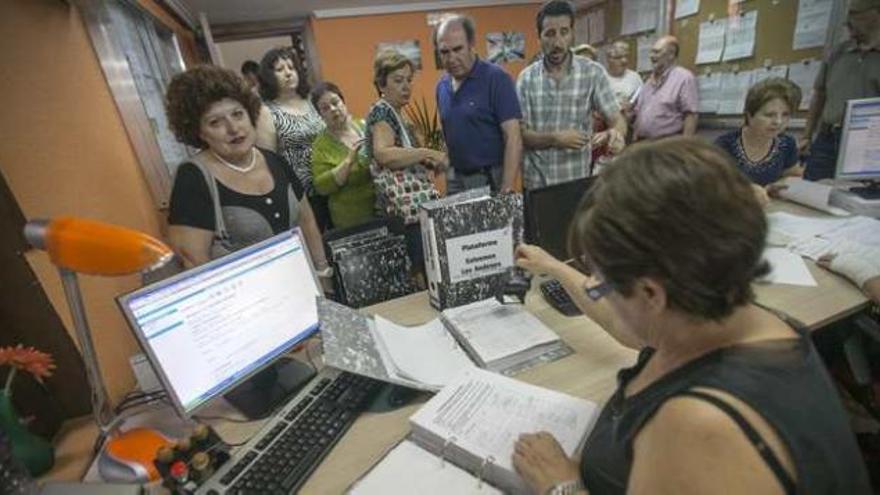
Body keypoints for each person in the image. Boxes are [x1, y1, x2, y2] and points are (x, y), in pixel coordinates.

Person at [511, 137, 871, 494]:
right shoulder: (721, 315)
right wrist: (553, 266)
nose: (595, 287)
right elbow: (623, 325)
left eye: (605, 283)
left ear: (652, 293)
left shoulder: (698, 429)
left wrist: (561, 486)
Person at [164, 65, 328, 275]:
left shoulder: (275, 161)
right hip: (245, 301)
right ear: (199, 132)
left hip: (300, 284)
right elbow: (194, 262)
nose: (233, 128)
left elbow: (307, 221)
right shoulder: (193, 177)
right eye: (215, 122)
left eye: (237, 114)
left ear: (250, 115)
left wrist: (323, 273)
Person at [517, 0, 626, 189]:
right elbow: (521, 135)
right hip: (536, 185)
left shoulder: (592, 73)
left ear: (572, 33)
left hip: (576, 181)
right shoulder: (526, 79)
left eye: (564, 32)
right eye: (550, 34)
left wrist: (617, 134)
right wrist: (555, 139)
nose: (557, 42)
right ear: (539, 37)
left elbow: (616, 119)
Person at [366, 50, 446, 273]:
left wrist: (429, 162)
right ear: (382, 85)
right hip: (403, 214)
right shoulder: (383, 112)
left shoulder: (397, 113)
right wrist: (425, 152)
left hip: (408, 211)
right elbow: (384, 154)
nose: (406, 86)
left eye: (409, 80)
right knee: (420, 272)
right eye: (398, 80)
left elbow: (405, 157)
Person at [434, 15, 522, 194]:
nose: (451, 58)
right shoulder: (441, 87)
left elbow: (513, 137)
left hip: (489, 178)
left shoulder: (497, 79)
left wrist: (507, 187)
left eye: (458, 49)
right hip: (455, 179)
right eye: (445, 52)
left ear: (471, 43)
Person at [801, 0, 880, 181]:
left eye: (853, 13)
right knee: (812, 192)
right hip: (827, 139)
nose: (846, 20)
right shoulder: (838, 52)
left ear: (875, 14)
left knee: (854, 201)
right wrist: (807, 135)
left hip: (866, 144)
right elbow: (820, 94)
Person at [255, 47, 330, 230]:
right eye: (280, 70)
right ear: (268, 77)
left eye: (291, 67)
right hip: (301, 193)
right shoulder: (267, 112)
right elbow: (268, 161)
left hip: (331, 181)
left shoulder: (312, 101)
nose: (288, 73)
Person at [715, 78, 803, 206]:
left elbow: (792, 177)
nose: (778, 122)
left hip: (772, 211)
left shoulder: (787, 143)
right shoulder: (724, 144)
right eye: (769, 115)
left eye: (785, 115)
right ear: (749, 115)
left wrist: (778, 186)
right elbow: (710, 186)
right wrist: (742, 190)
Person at [310, 81, 375, 230]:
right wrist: (348, 161)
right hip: (350, 220)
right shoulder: (321, 145)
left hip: (381, 209)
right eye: (325, 108)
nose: (333, 109)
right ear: (321, 115)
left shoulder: (364, 126)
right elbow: (321, 186)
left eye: (335, 102)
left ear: (343, 102)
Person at [632, 36, 698, 141]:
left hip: (667, 145)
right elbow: (639, 114)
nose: (651, 56)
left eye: (656, 52)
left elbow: (690, 116)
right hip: (642, 144)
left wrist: (684, 147)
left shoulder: (684, 78)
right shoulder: (648, 82)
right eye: (651, 52)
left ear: (671, 55)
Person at [604, 41, 642, 119]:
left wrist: (632, 109)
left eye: (626, 56)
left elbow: (642, 104)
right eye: (619, 57)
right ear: (609, 59)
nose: (624, 61)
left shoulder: (635, 77)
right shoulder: (600, 78)